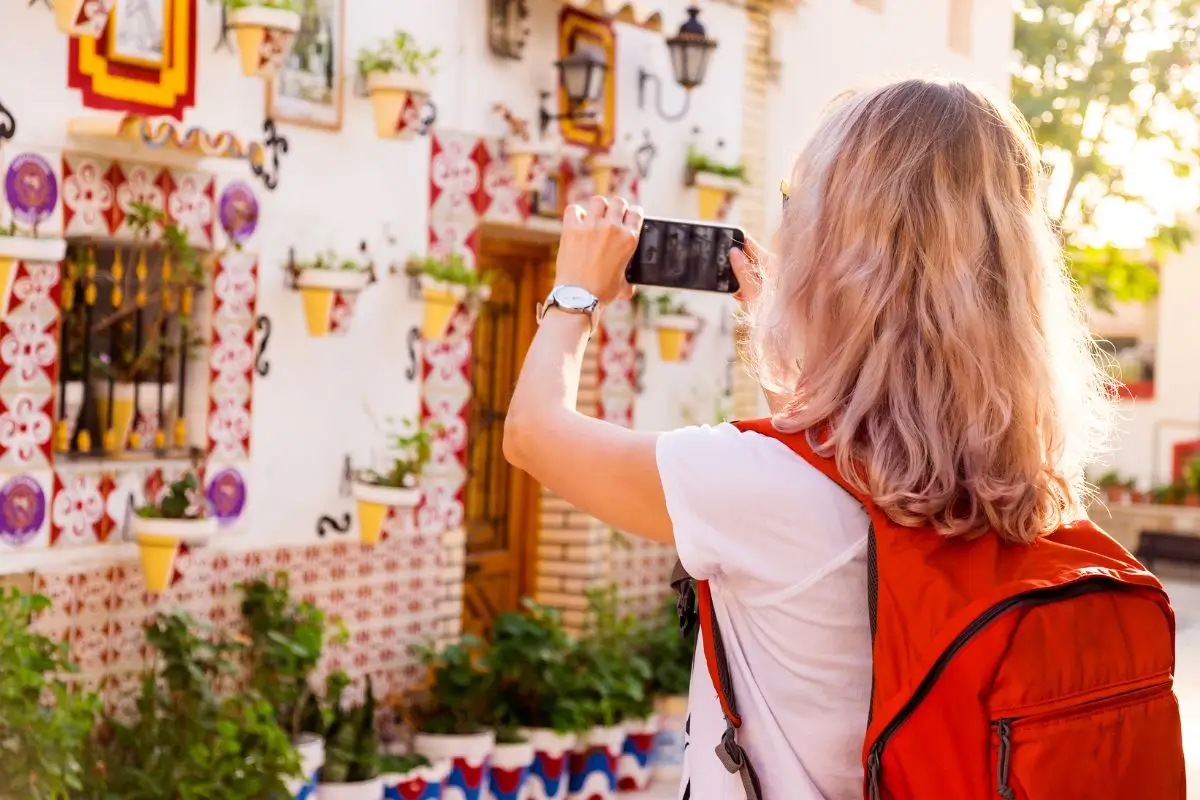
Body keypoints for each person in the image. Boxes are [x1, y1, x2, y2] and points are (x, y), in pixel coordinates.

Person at [502, 79, 1181, 799]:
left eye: (800, 204)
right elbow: (840, 468)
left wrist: (575, 292)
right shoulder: (1013, 484)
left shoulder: (751, 486)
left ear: (832, 251)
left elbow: (533, 435)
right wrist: (786, 331)